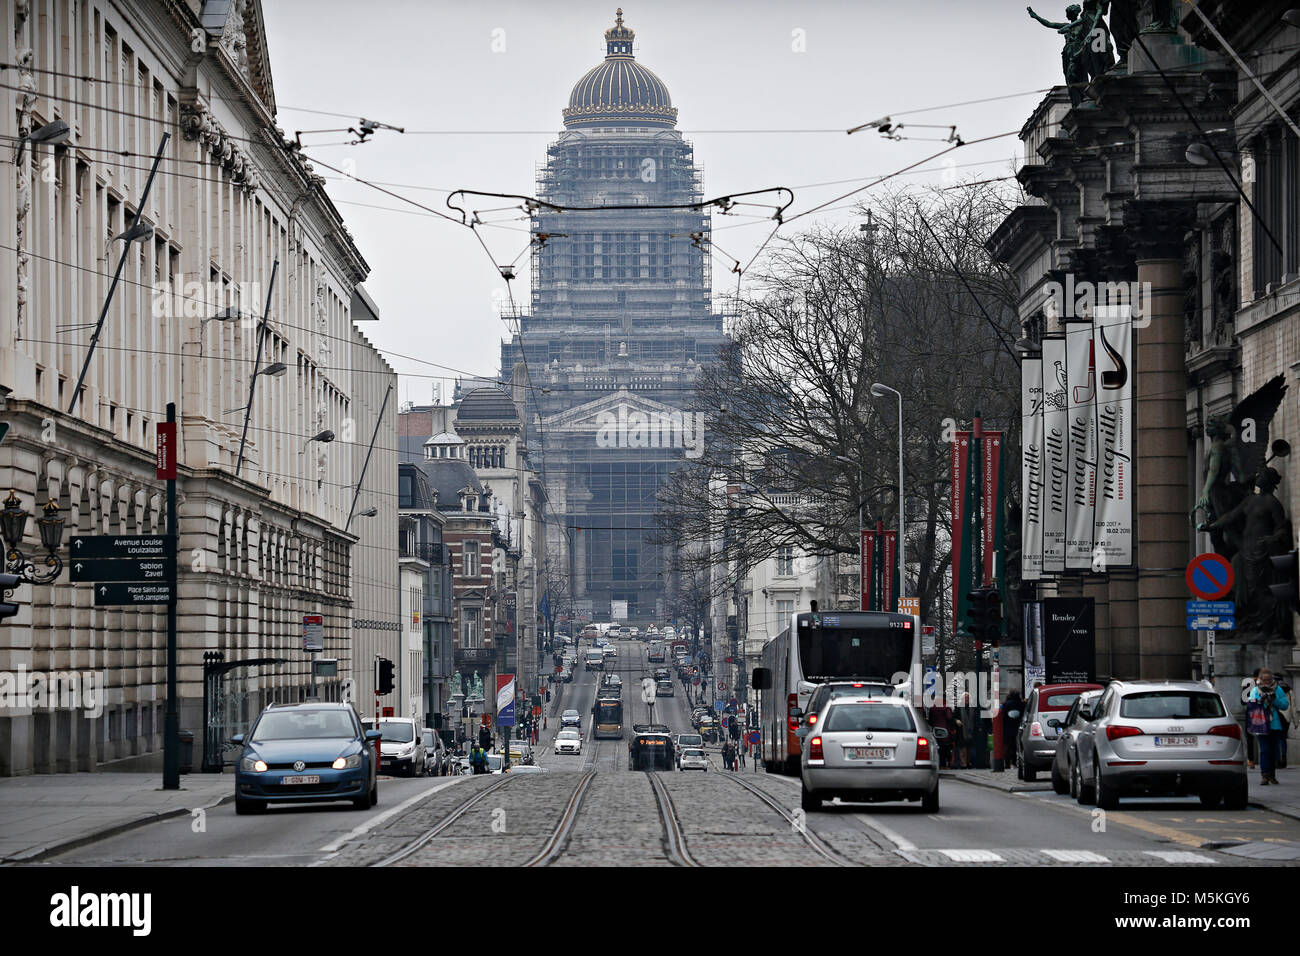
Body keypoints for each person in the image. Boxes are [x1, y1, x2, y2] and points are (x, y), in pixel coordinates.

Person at [1247, 668, 1289, 785]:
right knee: (1265, 750)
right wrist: (1261, 700)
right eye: (1264, 680)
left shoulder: (1278, 689)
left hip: (1274, 724)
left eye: (1269, 680)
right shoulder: (1255, 690)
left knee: (1274, 750)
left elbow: (1285, 705)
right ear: (1260, 679)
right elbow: (1251, 706)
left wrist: (1274, 700)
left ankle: (1272, 774)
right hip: (1261, 724)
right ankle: (1264, 775)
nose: (1266, 682)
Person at [1001, 690, 1024, 771]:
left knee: (1007, 746)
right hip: (1017, 727)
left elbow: (1002, 716)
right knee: (1015, 746)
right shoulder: (1021, 704)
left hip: (1007, 728)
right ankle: (1014, 763)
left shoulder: (1005, 704)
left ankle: (1006, 763)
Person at [928, 704, 955, 769]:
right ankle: (947, 764)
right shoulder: (947, 708)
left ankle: (941, 764)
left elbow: (930, 721)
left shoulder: (932, 708)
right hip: (946, 732)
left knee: (939, 748)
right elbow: (950, 718)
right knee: (947, 748)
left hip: (936, 731)